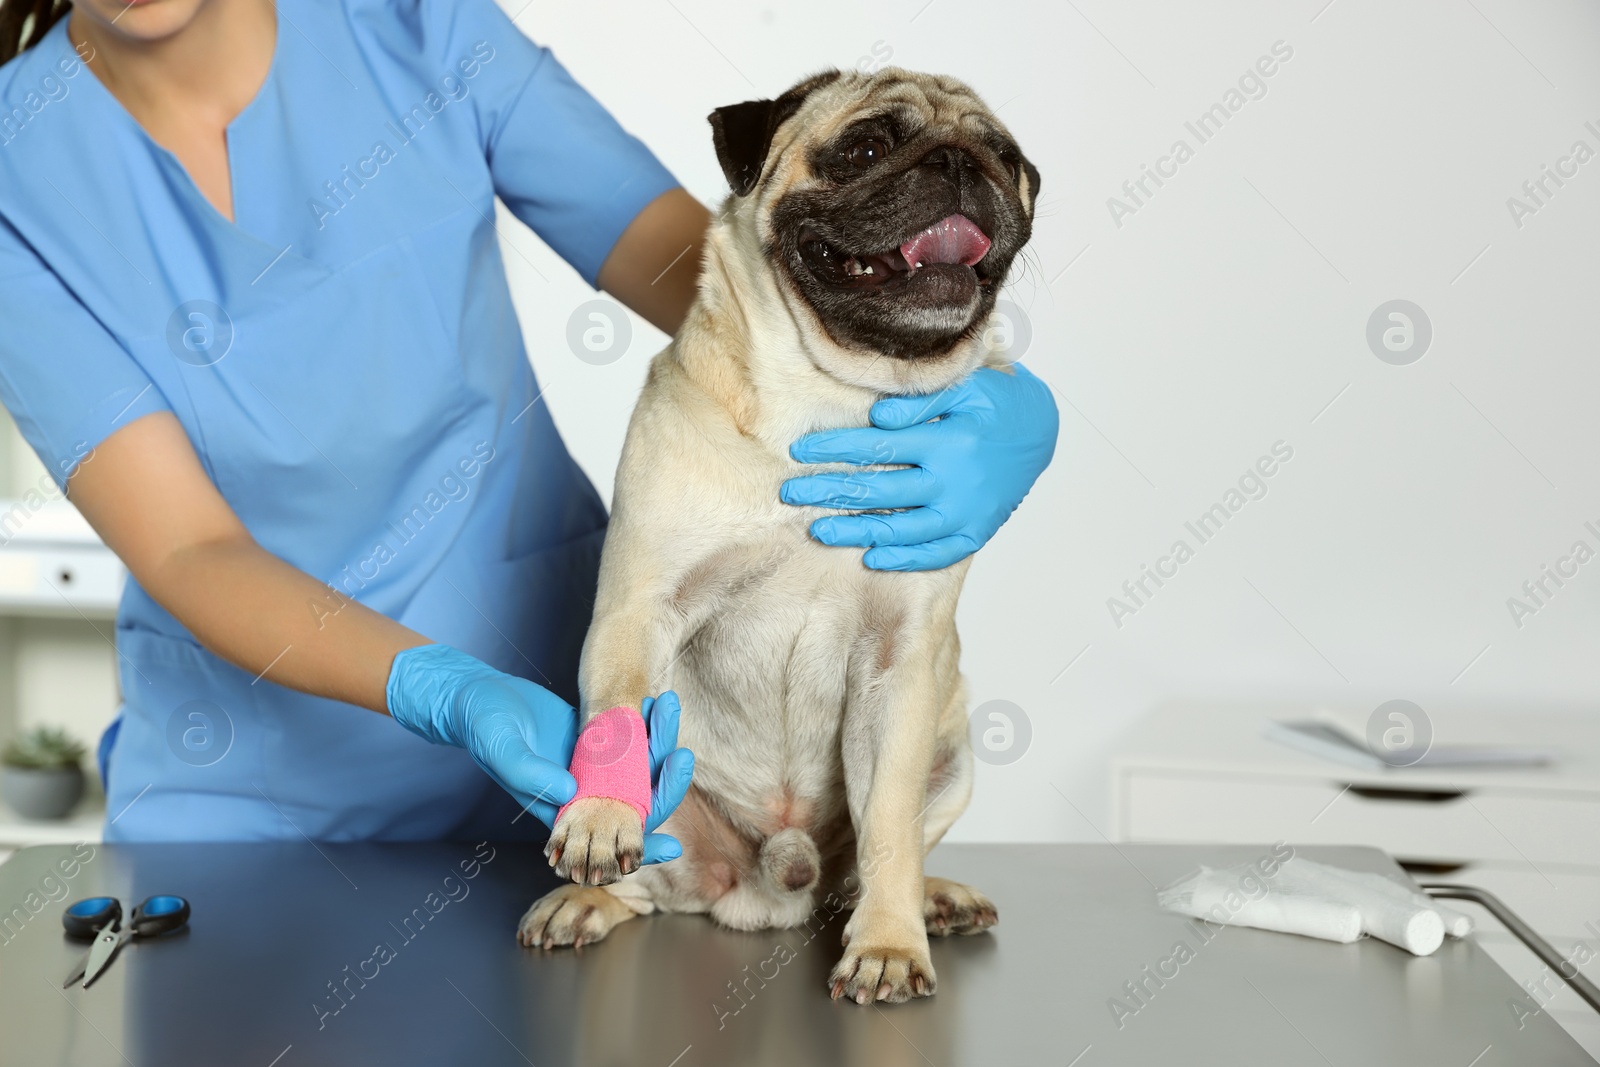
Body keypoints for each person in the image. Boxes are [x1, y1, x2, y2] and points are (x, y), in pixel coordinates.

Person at [0, 0, 1059, 850]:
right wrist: (445, 689)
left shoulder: (419, 28)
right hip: (243, 807)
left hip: (582, 779)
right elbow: (190, 545)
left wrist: (988, 390)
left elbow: (711, 285)